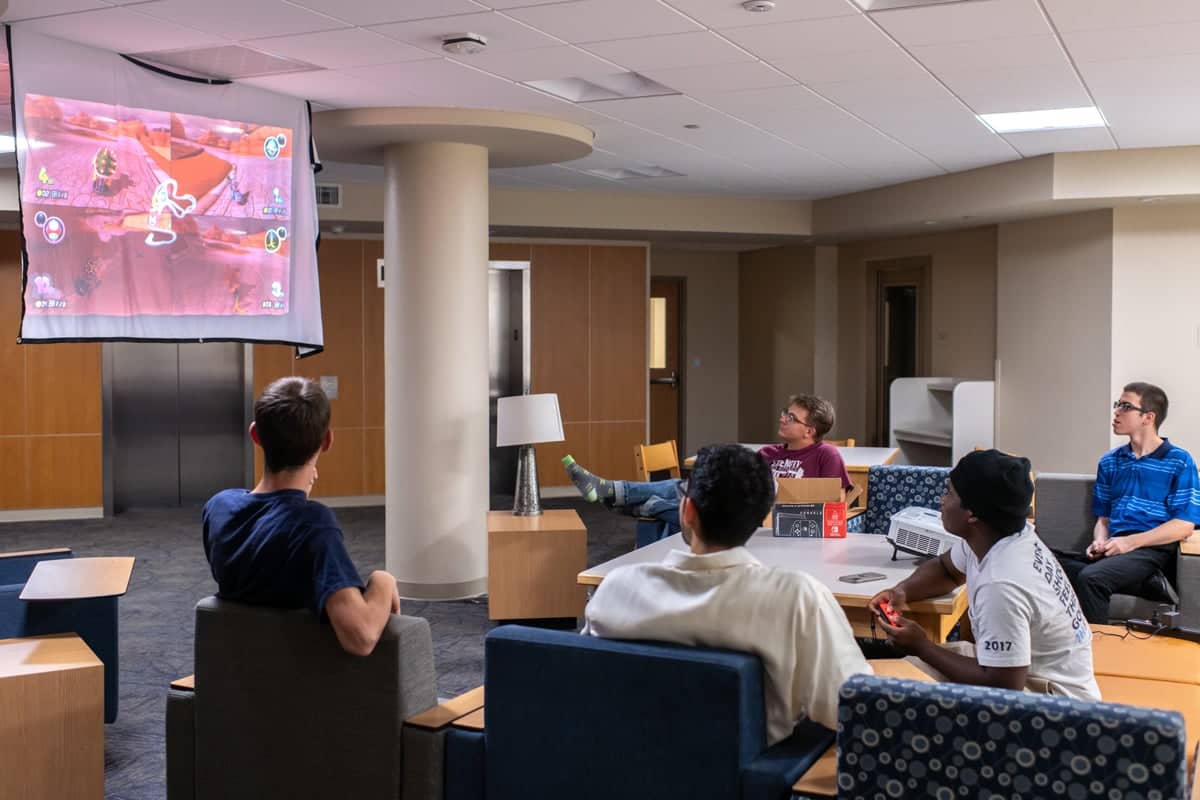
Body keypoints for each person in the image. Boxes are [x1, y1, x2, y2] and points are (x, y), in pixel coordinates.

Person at [582, 443, 871, 743]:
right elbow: (850, 709)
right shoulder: (796, 599)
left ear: (688, 509)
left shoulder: (615, 589)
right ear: (763, 514)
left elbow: (586, 686)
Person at [869, 449, 1101, 700]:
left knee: (892, 694)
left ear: (973, 514)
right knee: (893, 673)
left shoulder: (1001, 582)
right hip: (1018, 672)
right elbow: (946, 569)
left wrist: (922, 646)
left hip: (1056, 704)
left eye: (949, 493)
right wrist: (903, 590)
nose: (941, 501)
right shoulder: (997, 535)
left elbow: (1003, 687)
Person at [203, 376, 400, 657]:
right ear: (328, 440)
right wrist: (383, 580)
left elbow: (267, 564)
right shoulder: (313, 526)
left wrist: (298, 502)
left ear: (255, 434)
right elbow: (361, 637)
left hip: (241, 673)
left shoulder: (218, 508)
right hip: (304, 686)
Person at [562, 394, 855, 535]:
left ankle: (623, 495)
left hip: (780, 523)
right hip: (741, 513)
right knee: (698, 487)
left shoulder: (825, 456)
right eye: (784, 413)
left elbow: (835, 505)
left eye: (791, 418)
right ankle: (628, 496)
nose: (782, 418)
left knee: (696, 500)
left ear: (810, 431)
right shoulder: (767, 453)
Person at [1057, 382, 1200, 623]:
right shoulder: (1110, 461)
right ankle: (1148, 584)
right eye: (1118, 405)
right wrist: (1100, 541)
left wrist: (1130, 543)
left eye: (1125, 406)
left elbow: (1184, 524)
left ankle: (1098, 654)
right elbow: (1104, 518)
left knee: (1091, 578)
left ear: (1148, 417)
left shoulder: (1179, 461)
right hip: (1117, 546)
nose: (1116, 412)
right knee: (1049, 563)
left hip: (1153, 547)